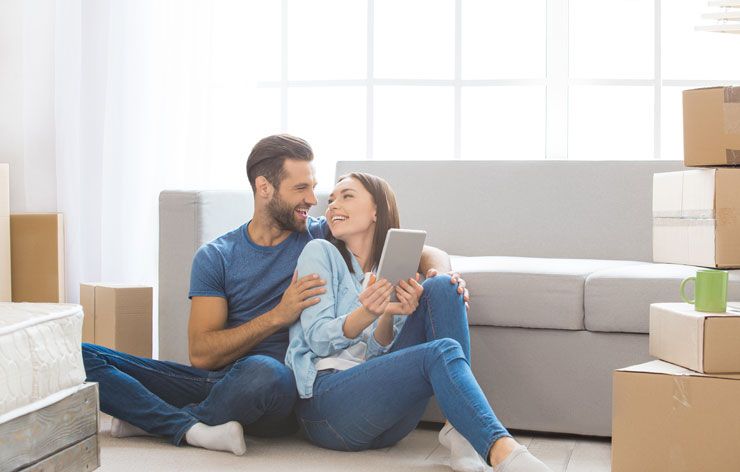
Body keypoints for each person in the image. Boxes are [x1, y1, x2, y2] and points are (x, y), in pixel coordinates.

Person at [82, 134, 468, 455]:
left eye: (315, 188)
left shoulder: (320, 235)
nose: (314, 200)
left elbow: (407, 244)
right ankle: (187, 424)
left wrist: (441, 271)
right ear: (263, 188)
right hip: (224, 382)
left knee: (268, 373)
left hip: (282, 386)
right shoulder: (218, 256)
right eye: (301, 188)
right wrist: (277, 316)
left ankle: (151, 417)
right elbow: (201, 354)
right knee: (79, 355)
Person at [286, 173, 552, 472]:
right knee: (441, 351)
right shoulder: (320, 252)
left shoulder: (394, 267)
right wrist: (367, 313)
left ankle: (458, 428)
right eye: (331, 199)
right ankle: (503, 453)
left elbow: (377, 357)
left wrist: (388, 313)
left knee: (443, 286)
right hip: (328, 409)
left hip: (388, 418)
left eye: (347, 196)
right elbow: (317, 338)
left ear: (377, 209)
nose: (333, 205)